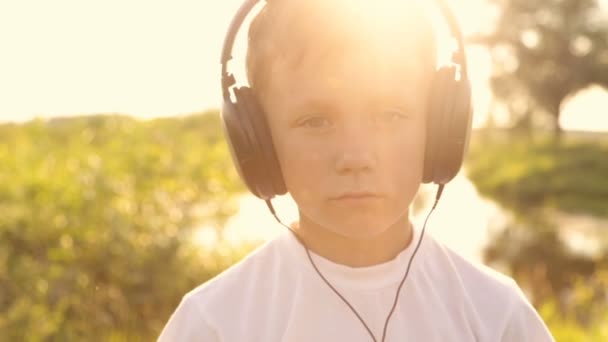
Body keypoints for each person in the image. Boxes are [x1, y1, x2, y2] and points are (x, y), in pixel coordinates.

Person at [158, 0, 554, 341]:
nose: (356, 156)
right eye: (315, 121)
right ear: (257, 141)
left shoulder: (497, 316)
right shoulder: (213, 324)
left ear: (438, 129)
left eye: (390, 114)